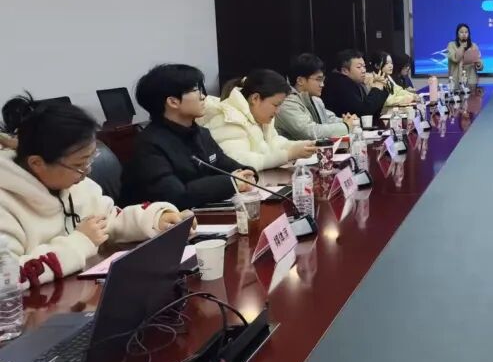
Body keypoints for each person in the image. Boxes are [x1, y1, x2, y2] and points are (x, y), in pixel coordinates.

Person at [0, 99, 184, 287]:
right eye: (79, 164)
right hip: (39, 304)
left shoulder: (77, 185)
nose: (87, 171)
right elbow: (6, 277)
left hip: (85, 293)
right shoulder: (6, 204)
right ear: (37, 163)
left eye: (90, 159)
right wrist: (80, 242)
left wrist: (156, 219)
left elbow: (108, 221)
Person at [122, 64, 259, 210]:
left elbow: (224, 164)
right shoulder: (148, 146)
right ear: (173, 102)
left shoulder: (201, 133)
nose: (203, 96)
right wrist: (231, 182)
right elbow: (177, 196)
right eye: (195, 90)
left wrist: (248, 173)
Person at [199, 70, 316, 171]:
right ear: (255, 98)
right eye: (275, 105)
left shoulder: (260, 117)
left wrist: (306, 145)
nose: (278, 111)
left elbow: (275, 143)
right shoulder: (228, 118)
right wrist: (288, 155)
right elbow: (239, 162)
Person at [276, 53, 359, 141]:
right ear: (300, 80)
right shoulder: (287, 103)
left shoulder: (315, 99)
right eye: (318, 79)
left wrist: (347, 121)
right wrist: (345, 126)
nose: (322, 84)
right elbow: (310, 132)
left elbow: (329, 119)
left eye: (323, 80)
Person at [321, 49, 390, 120]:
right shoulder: (340, 83)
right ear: (345, 71)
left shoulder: (356, 82)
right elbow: (364, 112)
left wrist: (376, 87)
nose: (364, 70)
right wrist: (376, 88)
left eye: (364, 66)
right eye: (359, 67)